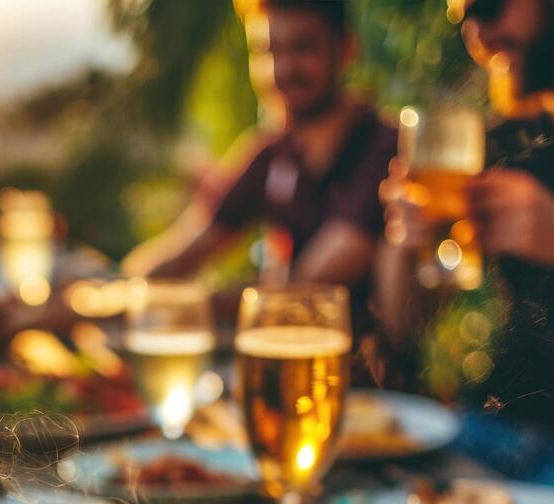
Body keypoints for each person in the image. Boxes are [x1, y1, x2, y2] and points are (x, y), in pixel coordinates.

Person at [377, 0, 554, 499]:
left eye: (488, 7)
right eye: (462, 18)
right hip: (491, 436)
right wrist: (407, 242)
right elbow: (403, 323)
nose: (477, 34)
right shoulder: (504, 143)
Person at [123, 0, 396, 304]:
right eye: (267, 51)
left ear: (346, 49)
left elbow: (306, 285)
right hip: (280, 341)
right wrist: (113, 290)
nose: (282, 69)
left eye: (303, 47)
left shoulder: (385, 148)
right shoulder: (273, 151)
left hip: (352, 348)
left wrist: (180, 305)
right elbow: (187, 245)